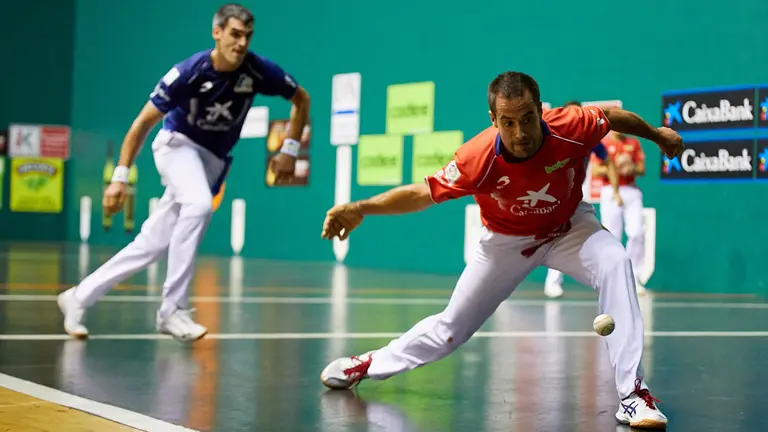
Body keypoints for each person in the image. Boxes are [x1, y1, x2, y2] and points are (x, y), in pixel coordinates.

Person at [318, 72, 681, 430]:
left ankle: (633, 395)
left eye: (527, 119)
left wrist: (656, 135)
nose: (520, 133)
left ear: (540, 110)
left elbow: (612, 117)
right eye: (507, 123)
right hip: (506, 243)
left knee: (616, 261)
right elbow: (422, 193)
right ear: (493, 120)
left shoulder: (570, 126)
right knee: (449, 331)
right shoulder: (477, 159)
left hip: (570, 227)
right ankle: (366, 365)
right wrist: (361, 207)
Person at [57, 3, 311, 342]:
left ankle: (77, 297)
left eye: (247, 37)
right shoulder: (189, 72)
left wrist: (289, 151)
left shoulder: (258, 70)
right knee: (200, 205)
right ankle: (171, 310)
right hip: (176, 146)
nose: (241, 43)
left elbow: (301, 99)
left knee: (152, 243)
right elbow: (140, 125)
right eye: (235, 34)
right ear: (217, 33)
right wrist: (119, 178)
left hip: (213, 160)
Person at [543, 100, 622, 299]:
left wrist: (615, 190)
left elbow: (608, 161)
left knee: (590, 236)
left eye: (576, 115)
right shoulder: (550, 137)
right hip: (547, 198)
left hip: (574, 198)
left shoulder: (590, 139)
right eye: (568, 115)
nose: (572, 120)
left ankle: (606, 281)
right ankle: (549, 282)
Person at [597, 130, 648, 293]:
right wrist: (615, 168)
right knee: (612, 236)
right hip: (610, 191)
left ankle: (634, 278)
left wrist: (630, 168)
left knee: (637, 233)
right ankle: (611, 279)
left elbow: (642, 169)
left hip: (631, 191)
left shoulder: (633, 143)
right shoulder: (604, 144)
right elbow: (596, 171)